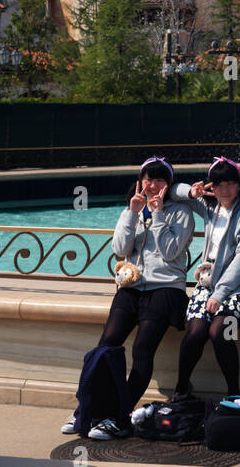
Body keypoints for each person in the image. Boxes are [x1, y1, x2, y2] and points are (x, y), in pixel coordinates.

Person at [60, 156, 193, 439]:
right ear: (140, 181)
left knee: (142, 351)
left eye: (160, 180)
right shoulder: (130, 209)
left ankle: (118, 418)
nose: (153, 185)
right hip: (131, 287)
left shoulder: (180, 213)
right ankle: (88, 410)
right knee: (105, 346)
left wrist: (157, 215)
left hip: (166, 288)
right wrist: (132, 214)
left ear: (168, 185)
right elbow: (120, 249)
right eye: (149, 178)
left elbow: (170, 252)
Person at [168, 156, 240, 397]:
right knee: (195, 333)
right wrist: (193, 192)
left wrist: (220, 294)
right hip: (208, 286)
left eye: (230, 183)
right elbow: (173, 191)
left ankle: (234, 393)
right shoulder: (209, 207)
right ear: (212, 186)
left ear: (239, 184)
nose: (225, 190)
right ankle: (181, 389)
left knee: (220, 332)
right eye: (219, 184)